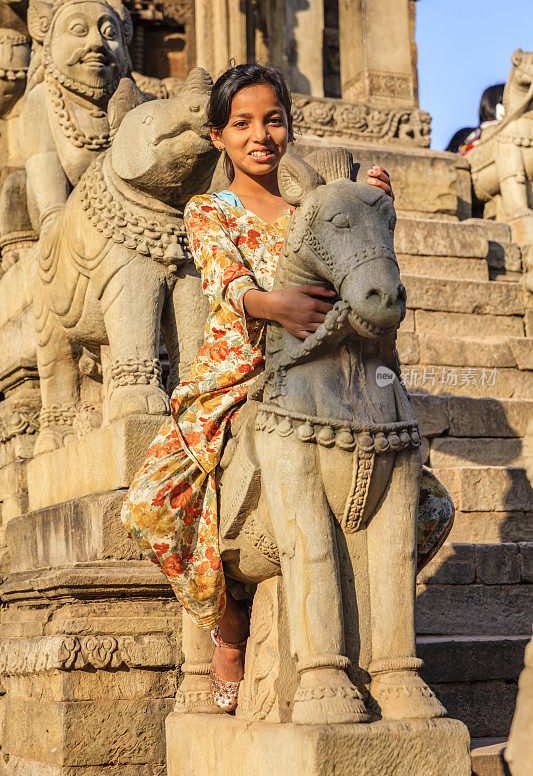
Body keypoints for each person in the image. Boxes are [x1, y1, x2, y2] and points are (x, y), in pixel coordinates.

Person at [121, 62, 452, 712]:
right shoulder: (209, 208)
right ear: (217, 135)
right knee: (148, 505)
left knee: (431, 510)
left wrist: (372, 202)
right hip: (236, 371)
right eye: (241, 123)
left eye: (272, 119)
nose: (260, 134)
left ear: (289, 126)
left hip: (327, 373)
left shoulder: (313, 204)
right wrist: (271, 306)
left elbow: (358, 264)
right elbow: (224, 280)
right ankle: (227, 624)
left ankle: (360, 610)